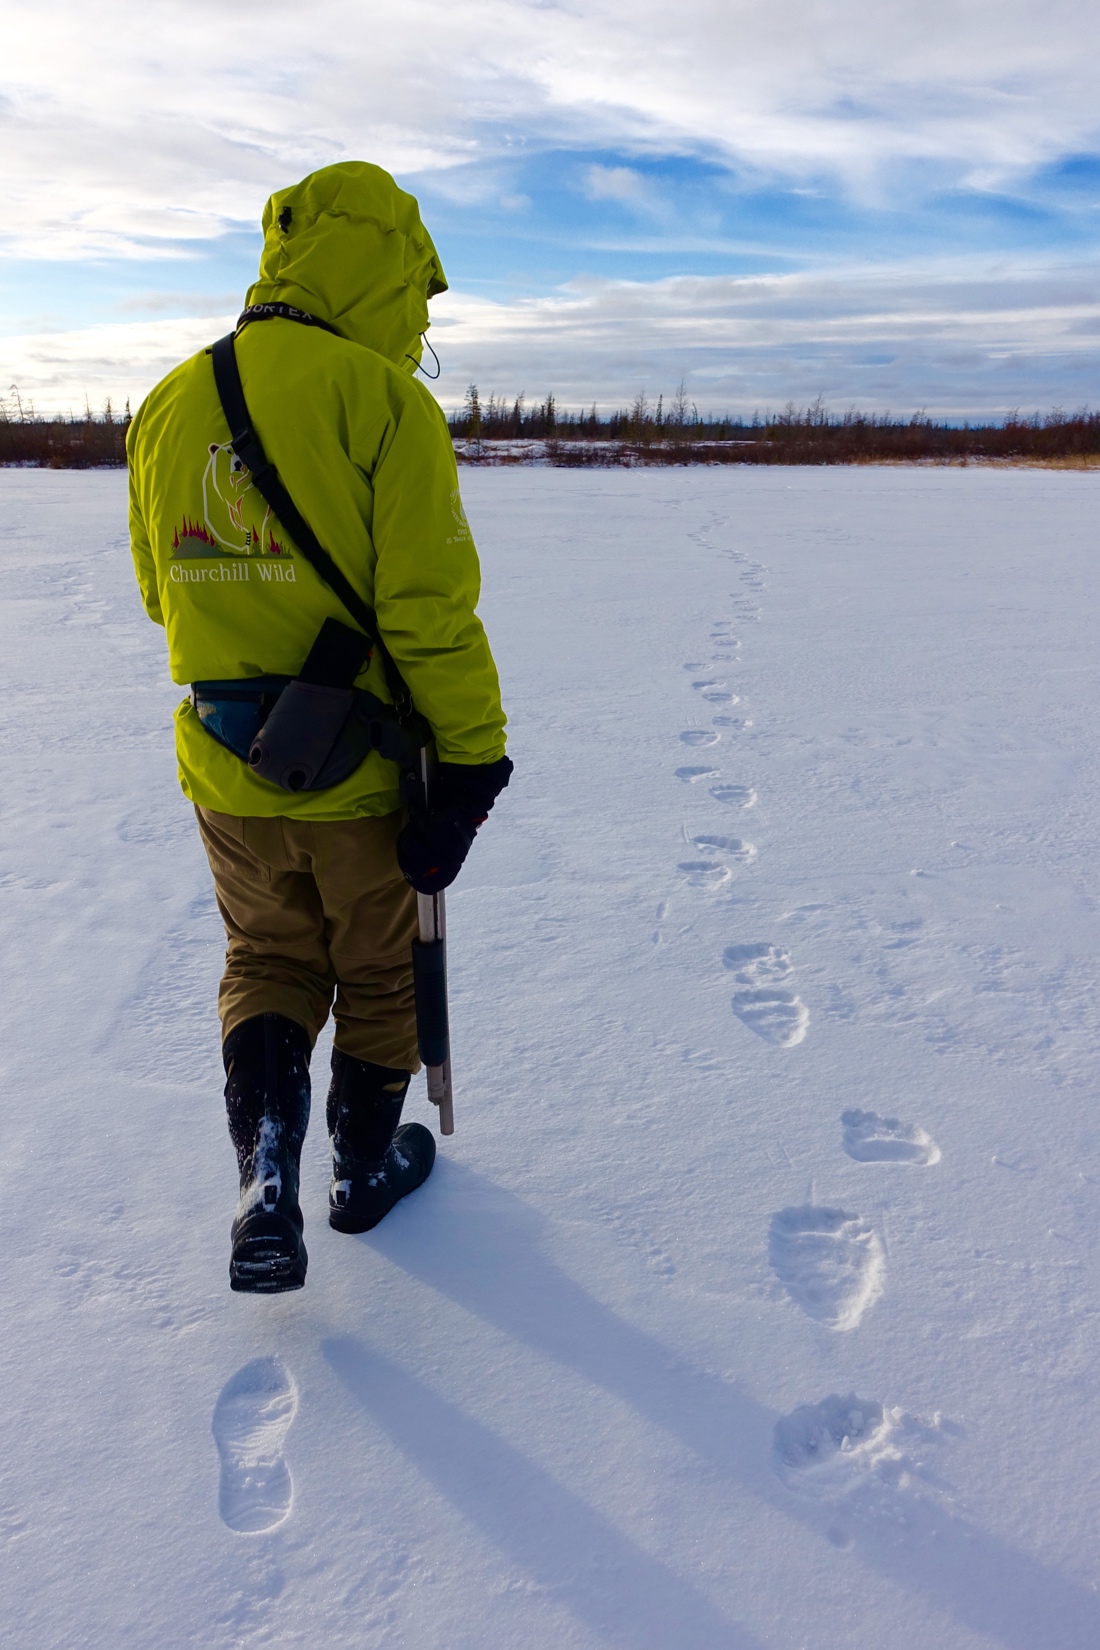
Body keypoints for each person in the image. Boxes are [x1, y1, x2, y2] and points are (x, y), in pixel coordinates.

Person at [126, 161, 511, 1295]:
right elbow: (428, 615)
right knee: (381, 975)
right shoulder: (383, 403)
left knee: (267, 958)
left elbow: (158, 596)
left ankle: (264, 1173)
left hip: (225, 769)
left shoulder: (167, 403)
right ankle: (358, 1168)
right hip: (363, 777)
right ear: (387, 273)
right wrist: (473, 765)